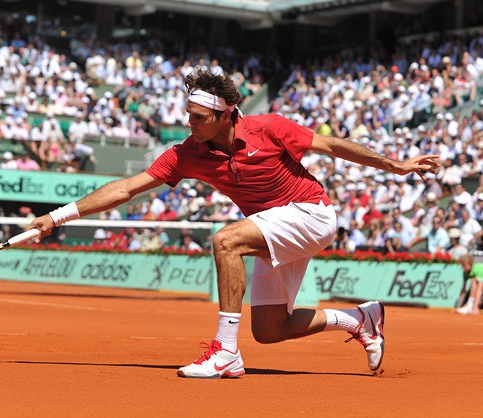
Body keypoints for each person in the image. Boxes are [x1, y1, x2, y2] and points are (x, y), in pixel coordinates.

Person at [26, 68, 439, 378]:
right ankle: (359, 319)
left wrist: (395, 166)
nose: (190, 125)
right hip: (273, 224)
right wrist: (56, 217)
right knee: (271, 330)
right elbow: (127, 188)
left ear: (226, 115)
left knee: (225, 240)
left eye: (199, 118)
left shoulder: (270, 128)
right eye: (189, 116)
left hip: (311, 214)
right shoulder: (188, 152)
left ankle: (225, 352)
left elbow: (331, 145)